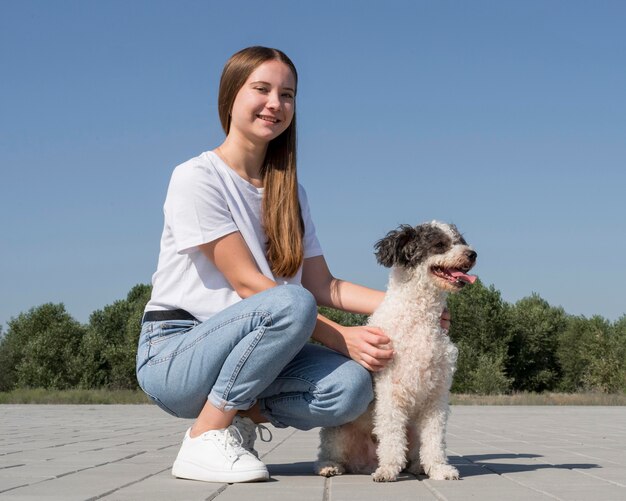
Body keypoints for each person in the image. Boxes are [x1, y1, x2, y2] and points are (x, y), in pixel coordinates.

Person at [136, 46, 450, 484]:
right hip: (178, 353)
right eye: (261, 89)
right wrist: (341, 336)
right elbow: (249, 284)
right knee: (292, 302)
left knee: (353, 389)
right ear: (230, 96)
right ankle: (204, 435)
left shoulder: (290, 193)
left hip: (262, 353)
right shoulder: (197, 177)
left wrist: (416, 303)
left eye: (287, 94)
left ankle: (238, 419)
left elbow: (324, 285)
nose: (275, 104)